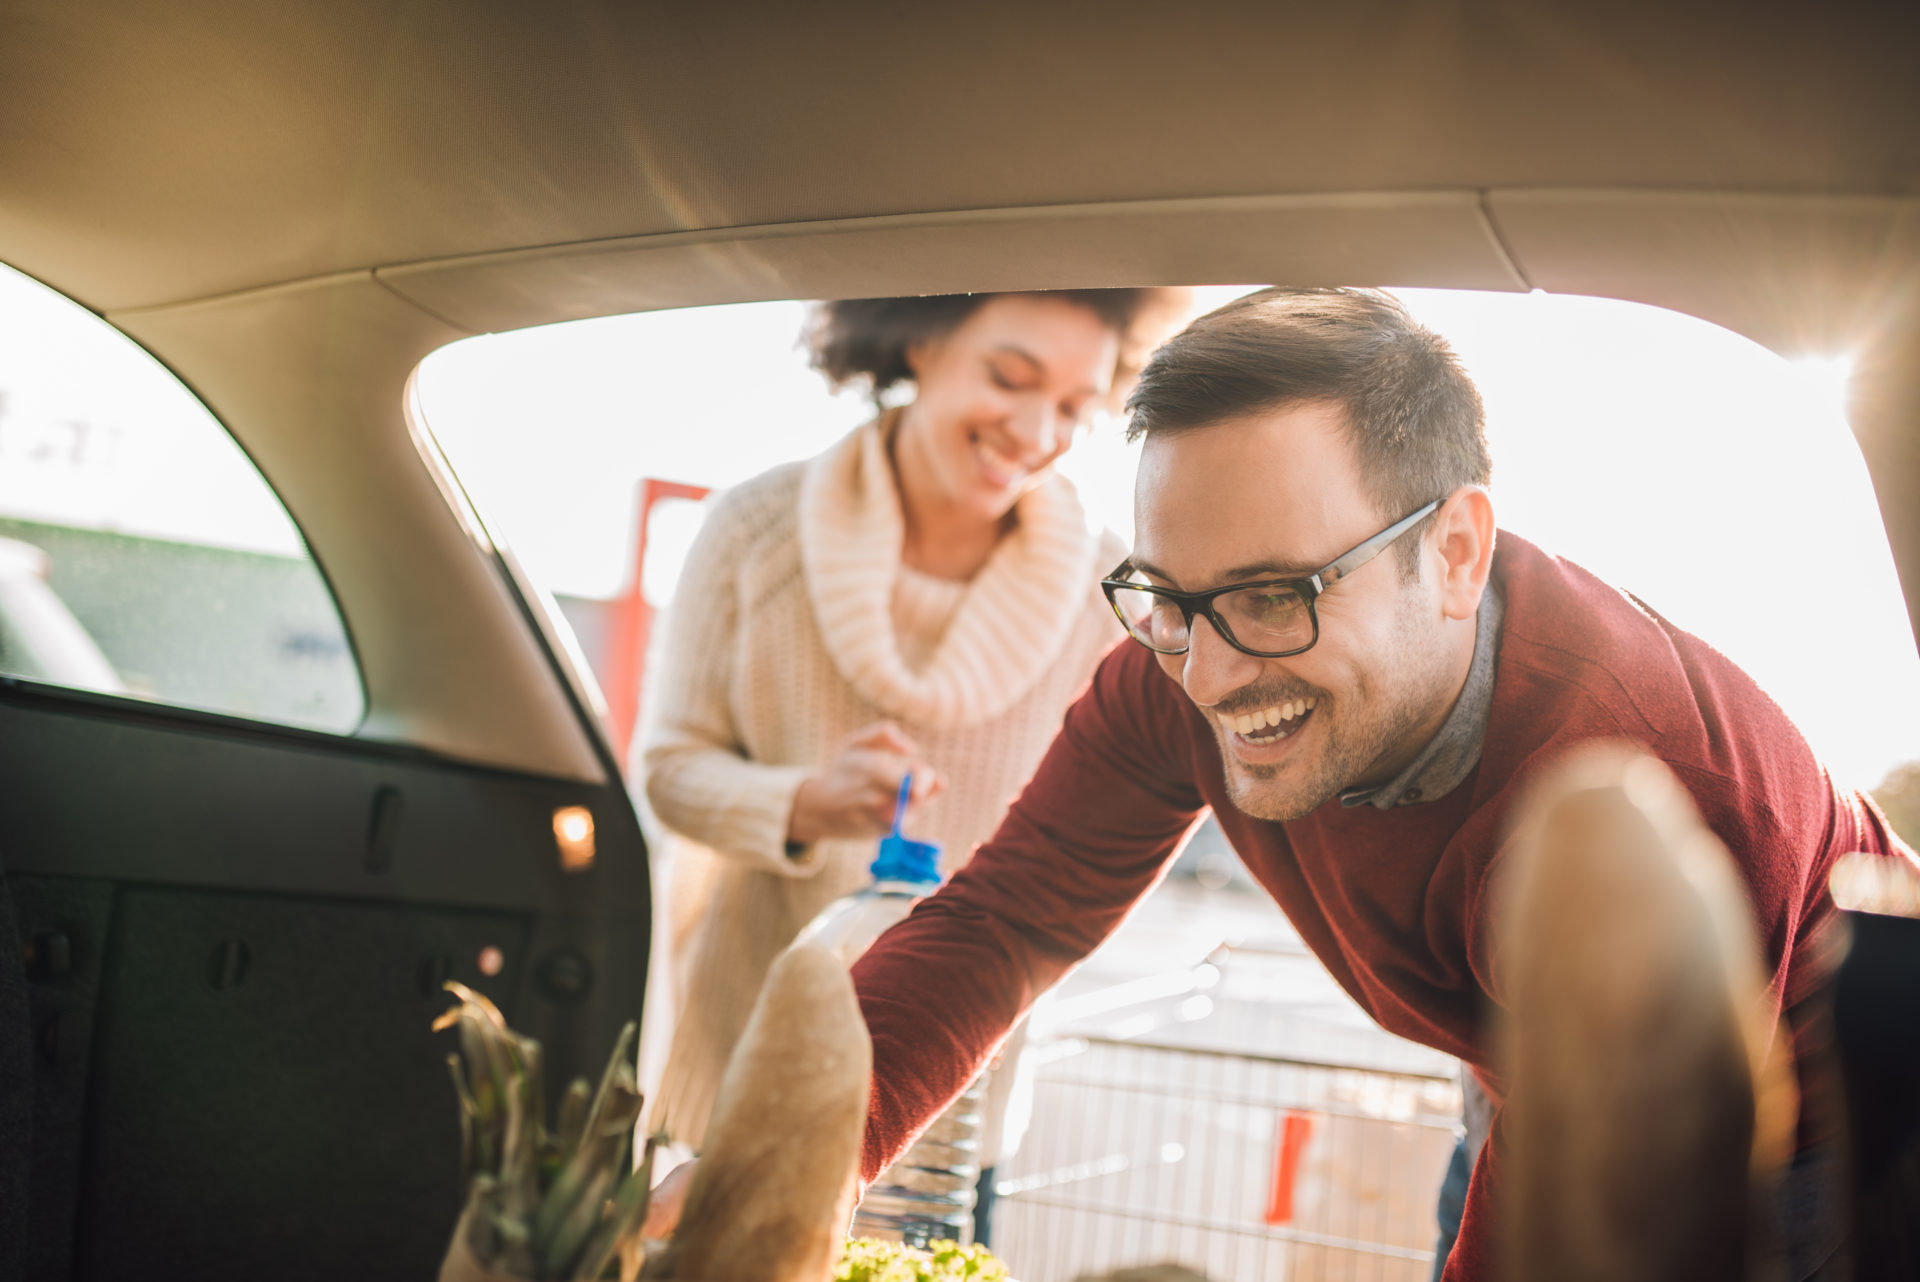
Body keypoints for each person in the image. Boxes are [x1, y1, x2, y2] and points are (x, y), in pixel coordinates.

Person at [778, 286, 1911, 1279]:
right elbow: (1006, 920)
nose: (1209, 674)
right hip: (1513, 1072)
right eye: (1168, 593)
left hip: (1811, 1123)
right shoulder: (1174, 661)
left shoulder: (1656, 788)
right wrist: (775, 1191)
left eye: (1277, 593)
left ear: (1456, 553)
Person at [639, 287, 1182, 1241]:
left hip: (942, 1108)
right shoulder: (753, 534)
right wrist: (801, 803)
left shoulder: (1111, 596)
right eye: (1010, 377)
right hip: (744, 1061)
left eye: (1072, 406)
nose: (1035, 429)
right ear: (921, 341)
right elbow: (669, 770)